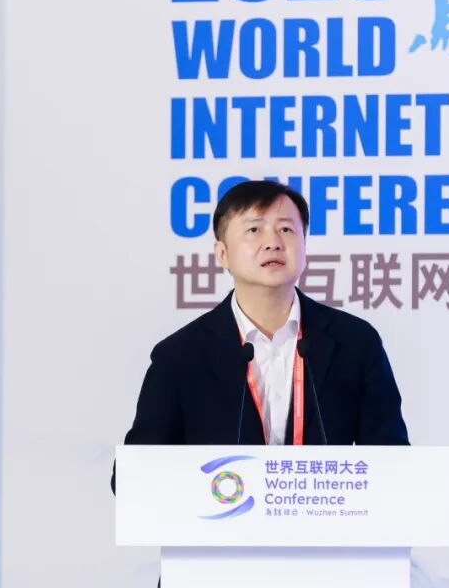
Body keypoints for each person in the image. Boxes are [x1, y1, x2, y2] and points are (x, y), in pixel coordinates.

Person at [113, 180, 407, 492]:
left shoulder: (355, 342)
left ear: (305, 245)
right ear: (223, 254)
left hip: (325, 522)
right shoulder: (180, 356)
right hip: (222, 519)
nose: (273, 242)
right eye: (254, 229)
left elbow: (392, 463)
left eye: (286, 229)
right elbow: (134, 478)